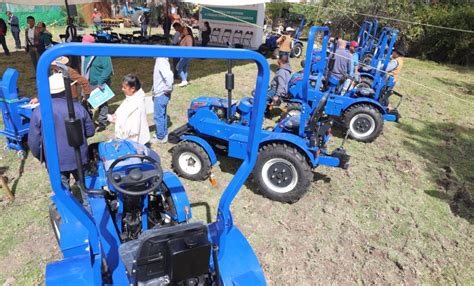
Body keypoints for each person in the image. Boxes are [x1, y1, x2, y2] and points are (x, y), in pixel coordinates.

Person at [28, 72, 95, 192]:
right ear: (67, 89)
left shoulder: (39, 111)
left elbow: (33, 142)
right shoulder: (78, 108)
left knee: (63, 195)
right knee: (87, 192)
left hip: (55, 160)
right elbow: (90, 132)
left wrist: (43, 157)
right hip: (79, 157)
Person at [81, 35, 113, 131]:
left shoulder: (102, 54)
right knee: (85, 102)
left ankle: (102, 122)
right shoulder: (84, 55)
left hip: (100, 83)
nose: (84, 47)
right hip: (88, 82)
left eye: (86, 45)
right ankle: (89, 122)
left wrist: (100, 82)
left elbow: (108, 69)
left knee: (102, 103)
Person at [107, 74, 150, 145]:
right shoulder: (131, 97)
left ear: (133, 88)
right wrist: (116, 114)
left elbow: (132, 129)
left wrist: (117, 121)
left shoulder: (136, 104)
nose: (122, 89)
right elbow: (123, 107)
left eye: (124, 88)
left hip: (134, 142)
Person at [152, 57, 174, 143]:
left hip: (161, 94)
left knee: (159, 116)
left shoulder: (161, 61)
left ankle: (160, 136)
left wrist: (168, 88)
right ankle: (163, 133)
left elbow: (169, 76)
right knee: (162, 114)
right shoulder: (161, 60)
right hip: (161, 93)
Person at [174, 23, 193, 87]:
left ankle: (184, 80)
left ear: (187, 31)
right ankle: (184, 80)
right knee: (184, 68)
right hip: (184, 55)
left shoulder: (188, 37)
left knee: (178, 67)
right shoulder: (184, 37)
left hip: (186, 55)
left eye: (185, 30)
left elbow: (189, 47)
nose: (183, 31)